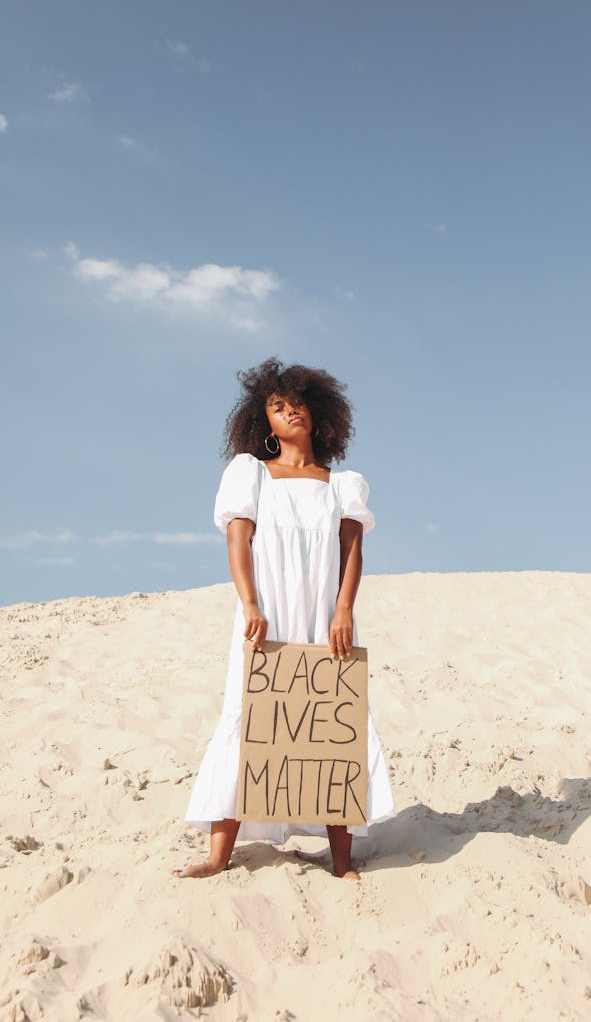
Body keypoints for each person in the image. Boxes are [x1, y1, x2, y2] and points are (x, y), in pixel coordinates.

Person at [173, 358, 394, 881]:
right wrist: (250, 604)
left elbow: (352, 553)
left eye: (297, 404)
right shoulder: (249, 473)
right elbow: (237, 541)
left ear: (318, 414)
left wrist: (344, 611)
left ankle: (341, 862)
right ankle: (217, 855)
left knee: (331, 721)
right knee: (249, 716)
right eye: (277, 406)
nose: (290, 412)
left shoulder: (343, 485)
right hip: (265, 614)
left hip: (325, 614)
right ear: (263, 420)